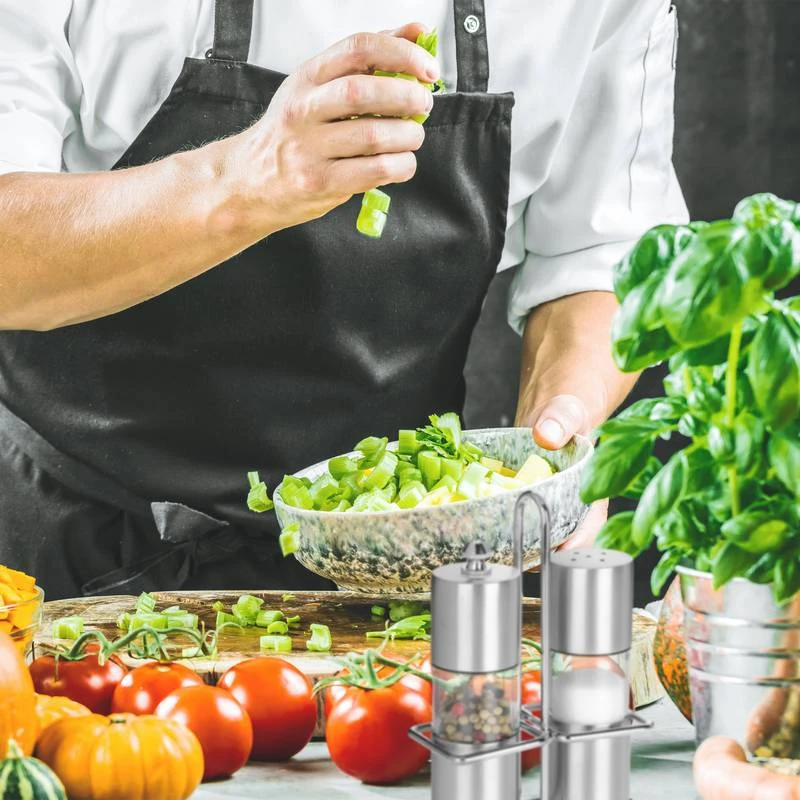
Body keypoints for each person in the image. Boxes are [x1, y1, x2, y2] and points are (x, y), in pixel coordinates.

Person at [0, 0, 688, 600]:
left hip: (398, 575)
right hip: (64, 555)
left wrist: (553, 443)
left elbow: (600, 256)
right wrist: (242, 179)